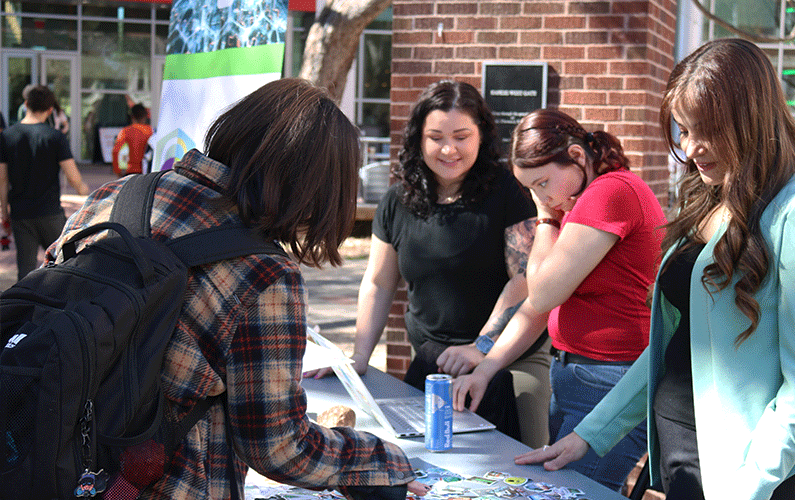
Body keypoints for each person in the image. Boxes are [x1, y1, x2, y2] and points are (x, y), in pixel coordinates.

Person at [44, 78, 428, 500]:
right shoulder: (264, 272)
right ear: (314, 188)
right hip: (165, 485)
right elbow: (279, 446)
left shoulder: (114, 195)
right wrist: (379, 462)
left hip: (55, 460)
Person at [515, 38, 795, 500]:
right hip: (682, 447)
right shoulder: (709, 199)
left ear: (750, 120)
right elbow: (671, 345)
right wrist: (589, 435)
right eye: (683, 131)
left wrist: (749, 487)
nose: (691, 148)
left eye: (705, 130)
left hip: (749, 470)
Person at [309, 80, 552, 449]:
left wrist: (481, 347)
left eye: (461, 136)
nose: (448, 148)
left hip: (509, 360)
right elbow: (378, 282)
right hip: (432, 365)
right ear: (418, 140)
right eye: (435, 137)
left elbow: (524, 280)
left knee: (529, 464)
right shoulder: (396, 200)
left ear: (482, 137)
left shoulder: (509, 191)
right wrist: (358, 358)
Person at [452, 108, 666, 492]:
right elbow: (539, 306)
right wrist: (487, 367)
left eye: (543, 182)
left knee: (576, 491)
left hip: (609, 381)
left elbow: (543, 291)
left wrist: (545, 218)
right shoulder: (582, 200)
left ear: (578, 156)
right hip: (574, 376)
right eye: (531, 189)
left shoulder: (609, 191)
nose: (543, 196)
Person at [0, 84, 89, 281]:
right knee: (64, 263)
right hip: (50, 213)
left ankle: (25, 308)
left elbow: (2, 180)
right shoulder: (55, 137)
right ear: (50, 110)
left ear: (26, 104)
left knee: (26, 270)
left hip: (20, 213)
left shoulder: (6, 137)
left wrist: (4, 213)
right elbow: (73, 177)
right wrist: (84, 190)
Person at [112, 103, 153, 177]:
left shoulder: (126, 131)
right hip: (147, 171)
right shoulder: (151, 131)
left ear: (132, 116)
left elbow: (116, 151)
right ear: (145, 116)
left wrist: (117, 171)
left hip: (130, 171)